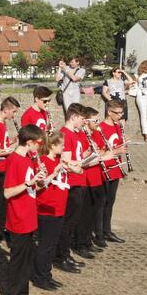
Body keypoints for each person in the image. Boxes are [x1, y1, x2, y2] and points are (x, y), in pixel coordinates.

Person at [2, 124, 46, 295]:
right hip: (18, 218)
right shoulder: (14, 160)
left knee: (27, 260)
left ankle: (23, 294)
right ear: (29, 143)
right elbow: (7, 192)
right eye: (38, 144)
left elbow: (32, 187)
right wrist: (28, 182)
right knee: (17, 261)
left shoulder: (29, 158)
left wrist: (40, 180)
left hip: (29, 215)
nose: (40, 147)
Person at [74, 107, 116, 259]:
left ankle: (87, 241)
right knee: (85, 213)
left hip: (97, 177)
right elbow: (82, 161)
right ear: (87, 121)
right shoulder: (82, 136)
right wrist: (99, 156)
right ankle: (80, 243)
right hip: (87, 179)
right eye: (95, 120)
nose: (98, 123)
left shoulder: (92, 134)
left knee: (92, 212)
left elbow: (100, 152)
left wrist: (104, 153)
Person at [32, 132, 70, 292]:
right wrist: (54, 172)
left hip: (58, 207)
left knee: (52, 244)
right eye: (61, 145)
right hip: (47, 209)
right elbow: (40, 186)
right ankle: (40, 277)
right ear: (53, 146)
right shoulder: (45, 162)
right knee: (45, 245)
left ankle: (47, 274)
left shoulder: (56, 160)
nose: (64, 148)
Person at [55, 103, 88, 273]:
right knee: (68, 222)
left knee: (73, 221)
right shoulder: (66, 134)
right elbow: (66, 163)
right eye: (82, 119)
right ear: (74, 117)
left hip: (79, 180)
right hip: (72, 182)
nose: (84, 122)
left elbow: (78, 156)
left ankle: (65, 253)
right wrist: (82, 163)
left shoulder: (74, 134)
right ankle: (61, 256)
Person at [0, 96, 21, 240]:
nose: (14, 115)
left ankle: (1, 225)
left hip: (5, 166)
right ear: (6, 110)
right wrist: (14, 151)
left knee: (3, 200)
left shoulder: (2, 124)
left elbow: (3, 145)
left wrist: (13, 141)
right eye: (13, 112)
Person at [97, 100, 128, 244]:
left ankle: (107, 230)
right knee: (102, 202)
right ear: (109, 112)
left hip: (116, 168)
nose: (121, 116)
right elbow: (100, 152)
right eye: (118, 113)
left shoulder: (118, 126)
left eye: (122, 113)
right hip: (105, 169)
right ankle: (99, 233)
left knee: (111, 201)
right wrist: (116, 150)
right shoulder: (100, 128)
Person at [134, 60, 147, 142]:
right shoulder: (138, 75)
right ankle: (146, 136)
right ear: (143, 67)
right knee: (143, 116)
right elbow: (132, 85)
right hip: (141, 98)